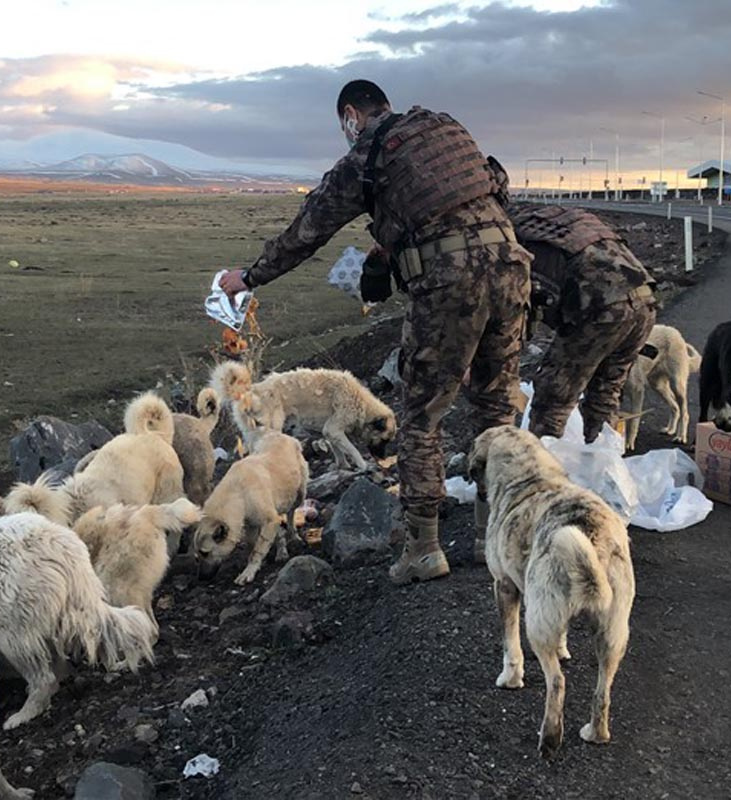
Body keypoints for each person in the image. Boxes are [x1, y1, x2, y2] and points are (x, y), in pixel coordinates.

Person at [219, 79, 531, 585]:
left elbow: (308, 229)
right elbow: (494, 181)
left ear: (349, 115)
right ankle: (491, 535)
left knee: (422, 417)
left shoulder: (367, 155)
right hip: (513, 265)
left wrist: (248, 277)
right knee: (496, 407)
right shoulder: (443, 126)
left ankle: (424, 548)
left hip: (450, 282)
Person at [507, 202, 657, 444]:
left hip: (601, 307)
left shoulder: (513, 236)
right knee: (605, 394)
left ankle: (543, 470)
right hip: (645, 299)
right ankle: (601, 465)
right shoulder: (559, 222)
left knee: (553, 396)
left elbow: (519, 306)